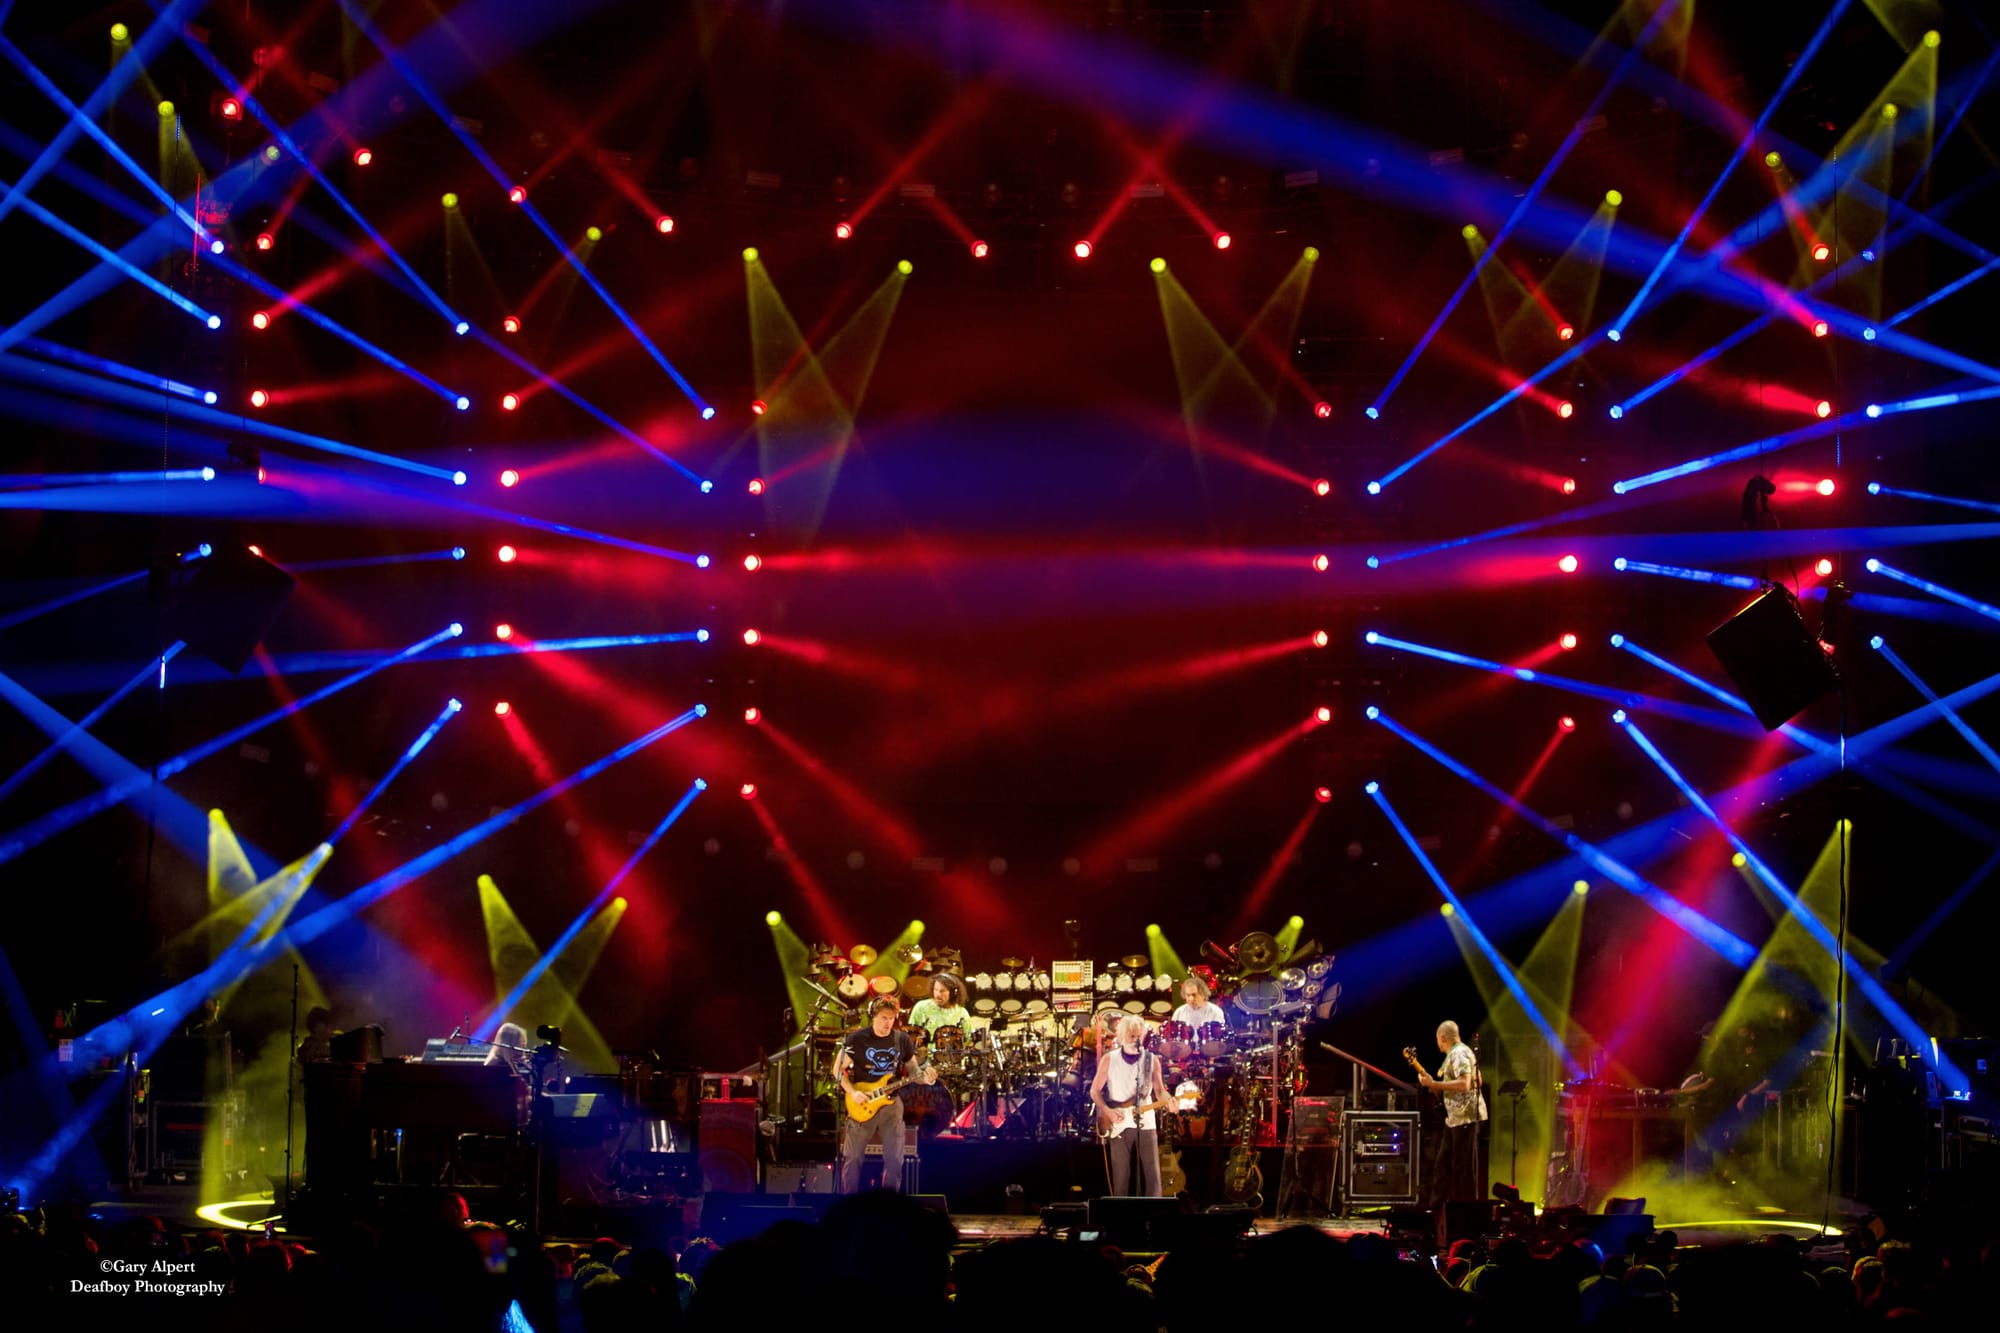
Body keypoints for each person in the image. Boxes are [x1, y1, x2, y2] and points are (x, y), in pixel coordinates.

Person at [834, 996, 934, 1193]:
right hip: (863, 1102)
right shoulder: (857, 1039)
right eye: (883, 1018)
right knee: (853, 1159)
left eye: (891, 1018)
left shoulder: (901, 1040)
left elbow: (914, 1071)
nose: (888, 1023)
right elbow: (837, 1070)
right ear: (873, 1016)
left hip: (891, 1105)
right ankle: (848, 1203)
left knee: (895, 1160)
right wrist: (853, 1092)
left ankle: (889, 1204)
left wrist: (926, 1078)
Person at [1090, 1014, 1171, 1196]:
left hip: (1146, 1121)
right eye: (1131, 1036)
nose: (1135, 1040)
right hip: (1118, 1121)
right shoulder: (1109, 1059)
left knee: (1153, 1176)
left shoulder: (1151, 1059)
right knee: (1121, 1176)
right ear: (1121, 1035)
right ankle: (1121, 1212)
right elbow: (1094, 1091)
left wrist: (1169, 1100)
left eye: (1138, 1036)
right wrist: (1108, 1111)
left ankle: (1153, 1212)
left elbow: (1159, 1090)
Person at [1415, 1019, 1485, 1207]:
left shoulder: (1459, 1054)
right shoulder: (1460, 1053)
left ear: (1442, 1038)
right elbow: (1478, 1080)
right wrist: (1433, 1084)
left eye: (1437, 1039)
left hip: (1465, 1119)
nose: (1437, 1043)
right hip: (1455, 1119)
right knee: (1443, 1165)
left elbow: (1465, 1084)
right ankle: (1437, 1209)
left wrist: (1434, 1084)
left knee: (1461, 1168)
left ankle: (1462, 1211)